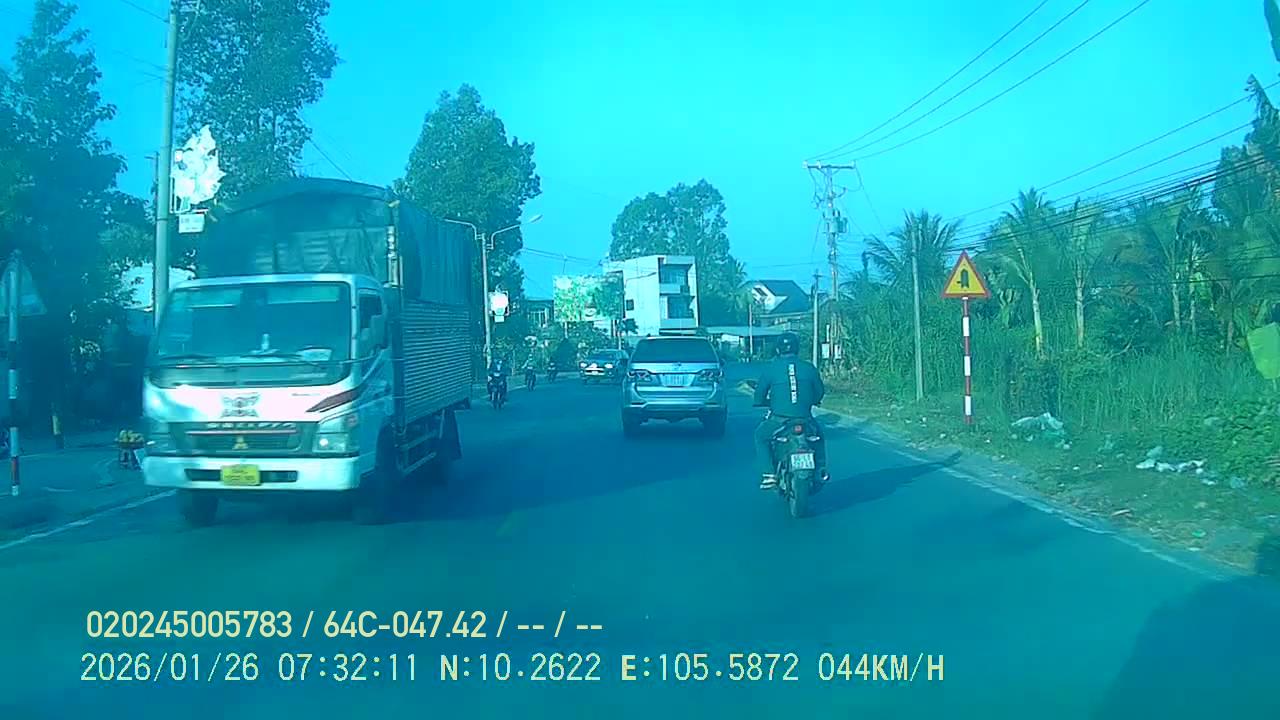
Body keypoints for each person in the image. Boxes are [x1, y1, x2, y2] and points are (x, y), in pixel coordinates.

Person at [752, 332, 827, 490]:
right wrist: (812, 400)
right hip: (805, 418)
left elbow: (759, 396)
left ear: (778, 349)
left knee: (760, 436)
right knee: (819, 436)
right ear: (797, 349)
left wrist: (763, 402)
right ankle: (820, 469)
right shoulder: (809, 368)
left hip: (779, 420)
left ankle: (769, 474)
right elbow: (819, 392)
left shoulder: (771, 369)